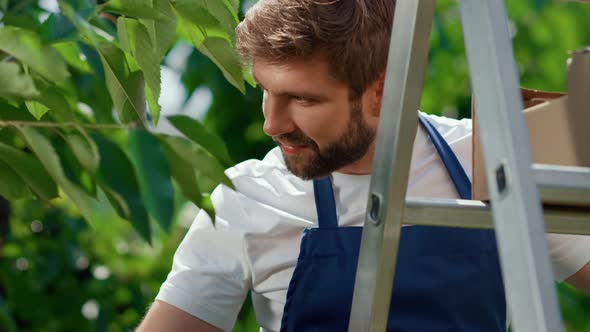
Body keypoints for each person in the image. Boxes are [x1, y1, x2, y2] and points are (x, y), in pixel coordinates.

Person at [136, 0, 590, 331]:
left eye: (301, 98)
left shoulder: (490, 157)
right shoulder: (246, 198)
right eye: (264, 90)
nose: (271, 124)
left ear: (382, 91)